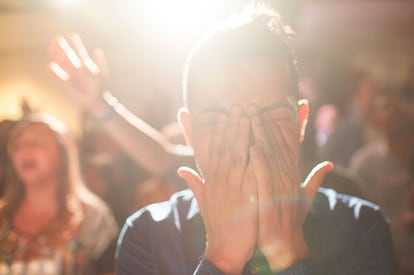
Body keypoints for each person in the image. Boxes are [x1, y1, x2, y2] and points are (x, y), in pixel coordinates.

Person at [115, 5, 396, 275]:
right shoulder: (148, 235)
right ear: (189, 132)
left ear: (300, 122)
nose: (247, 138)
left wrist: (287, 257)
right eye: (218, 119)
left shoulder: (360, 227)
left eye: (271, 116)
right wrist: (221, 260)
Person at [0, 113, 118, 274]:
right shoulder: (3, 217)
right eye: (18, 145)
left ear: (63, 154)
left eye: (37, 143)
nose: (25, 150)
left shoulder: (92, 217)